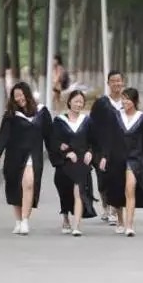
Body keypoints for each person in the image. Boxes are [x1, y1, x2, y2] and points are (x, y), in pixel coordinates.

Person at [0, 82, 53, 235]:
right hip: (14, 156)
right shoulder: (11, 115)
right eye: (15, 96)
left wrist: (58, 152)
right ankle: (18, 221)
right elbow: (4, 134)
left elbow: (50, 135)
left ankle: (25, 220)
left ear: (27, 94)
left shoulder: (42, 112)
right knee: (15, 187)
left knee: (29, 184)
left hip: (33, 155)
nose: (19, 99)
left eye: (20, 95)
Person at [94, 87, 143, 236]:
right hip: (117, 158)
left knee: (130, 188)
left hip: (135, 158)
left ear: (135, 101)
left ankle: (129, 225)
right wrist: (104, 156)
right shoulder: (115, 116)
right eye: (123, 98)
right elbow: (109, 139)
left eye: (128, 98)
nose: (125, 101)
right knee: (118, 191)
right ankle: (120, 220)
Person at [48, 90, 97, 236]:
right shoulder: (59, 121)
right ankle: (65, 217)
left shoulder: (87, 121)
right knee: (65, 192)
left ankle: (76, 226)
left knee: (79, 191)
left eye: (81, 102)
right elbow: (54, 141)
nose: (78, 104)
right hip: (65, 162)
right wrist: (65, 151)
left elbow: (94, 142)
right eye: (76, 101)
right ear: (69, 102)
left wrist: (90, 152)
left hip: (81, 161)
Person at [89, 70, 126, 225]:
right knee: (103, 178)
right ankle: (105, 206)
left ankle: (113, 208)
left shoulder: (127, 101)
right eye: (113, 81)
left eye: (118, 80)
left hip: (122, 148)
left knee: (119, 179)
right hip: (101, 148)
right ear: (108, 83)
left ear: (123, 82)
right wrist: (90, 148)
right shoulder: (101, 103)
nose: (116, 83)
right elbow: (92, 125)